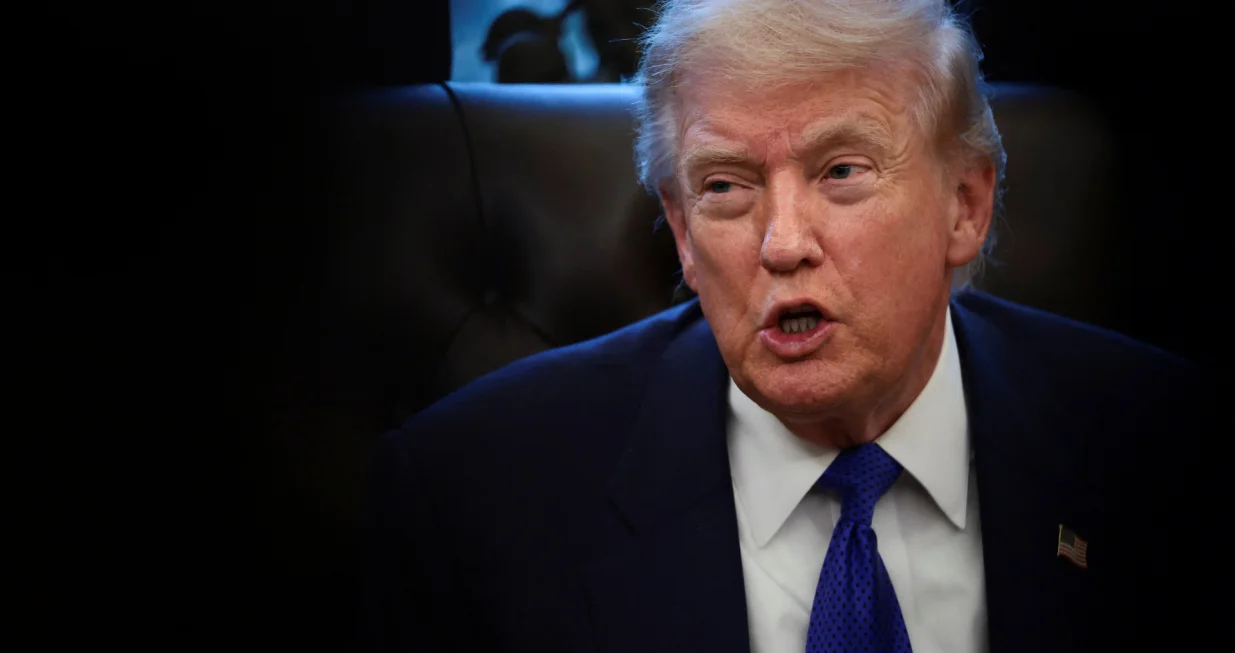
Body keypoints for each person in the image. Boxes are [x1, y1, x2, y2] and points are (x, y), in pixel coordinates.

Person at [363, 1, 1218, 651]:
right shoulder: (474, 493)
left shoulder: (1166, 446)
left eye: (841, 171)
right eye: (726, 186)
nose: (780, 244)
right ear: (684, 232)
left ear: (966, 203)